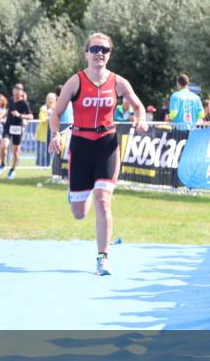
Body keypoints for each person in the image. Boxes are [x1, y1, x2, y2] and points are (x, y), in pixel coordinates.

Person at [49, 33, 147, 276]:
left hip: (107, 145)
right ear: (86, 53)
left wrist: (140, 119)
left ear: (110, 54)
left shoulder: (119, 82)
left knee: (104, 200)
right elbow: (56, 112)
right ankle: (77, 195)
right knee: (79, 213)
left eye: (104, 49)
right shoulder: (76, 81)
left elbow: (137, 105)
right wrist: (55, 134)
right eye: (94, 49)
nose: (99, 53)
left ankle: (102, 258)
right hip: (81, 146)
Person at [0, 83, 33, 179]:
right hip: (8, 126)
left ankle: (12, 170)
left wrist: (20, 115)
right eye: (15, 90)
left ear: (22, 92)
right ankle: (2, 165)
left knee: (16, 152)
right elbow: (9, 111)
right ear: (13, 91)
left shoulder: (24, 103)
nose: (17, 92)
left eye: (19, 90)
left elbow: (31, 116)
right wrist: (1, 117)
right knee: (3, 146)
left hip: (17, 128)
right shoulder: (11, 100)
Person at [35, 92, 57, 168]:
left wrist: (49, 119)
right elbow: (42, 118)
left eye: (52, 98)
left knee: (49, 149)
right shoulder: (43, 108)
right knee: (41, 149)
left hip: (52, 130)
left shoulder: (56, 107)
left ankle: (47, 165)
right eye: (49, 98)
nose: (50, 100)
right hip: (43, 131)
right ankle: (41, 164)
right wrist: (49, 118)